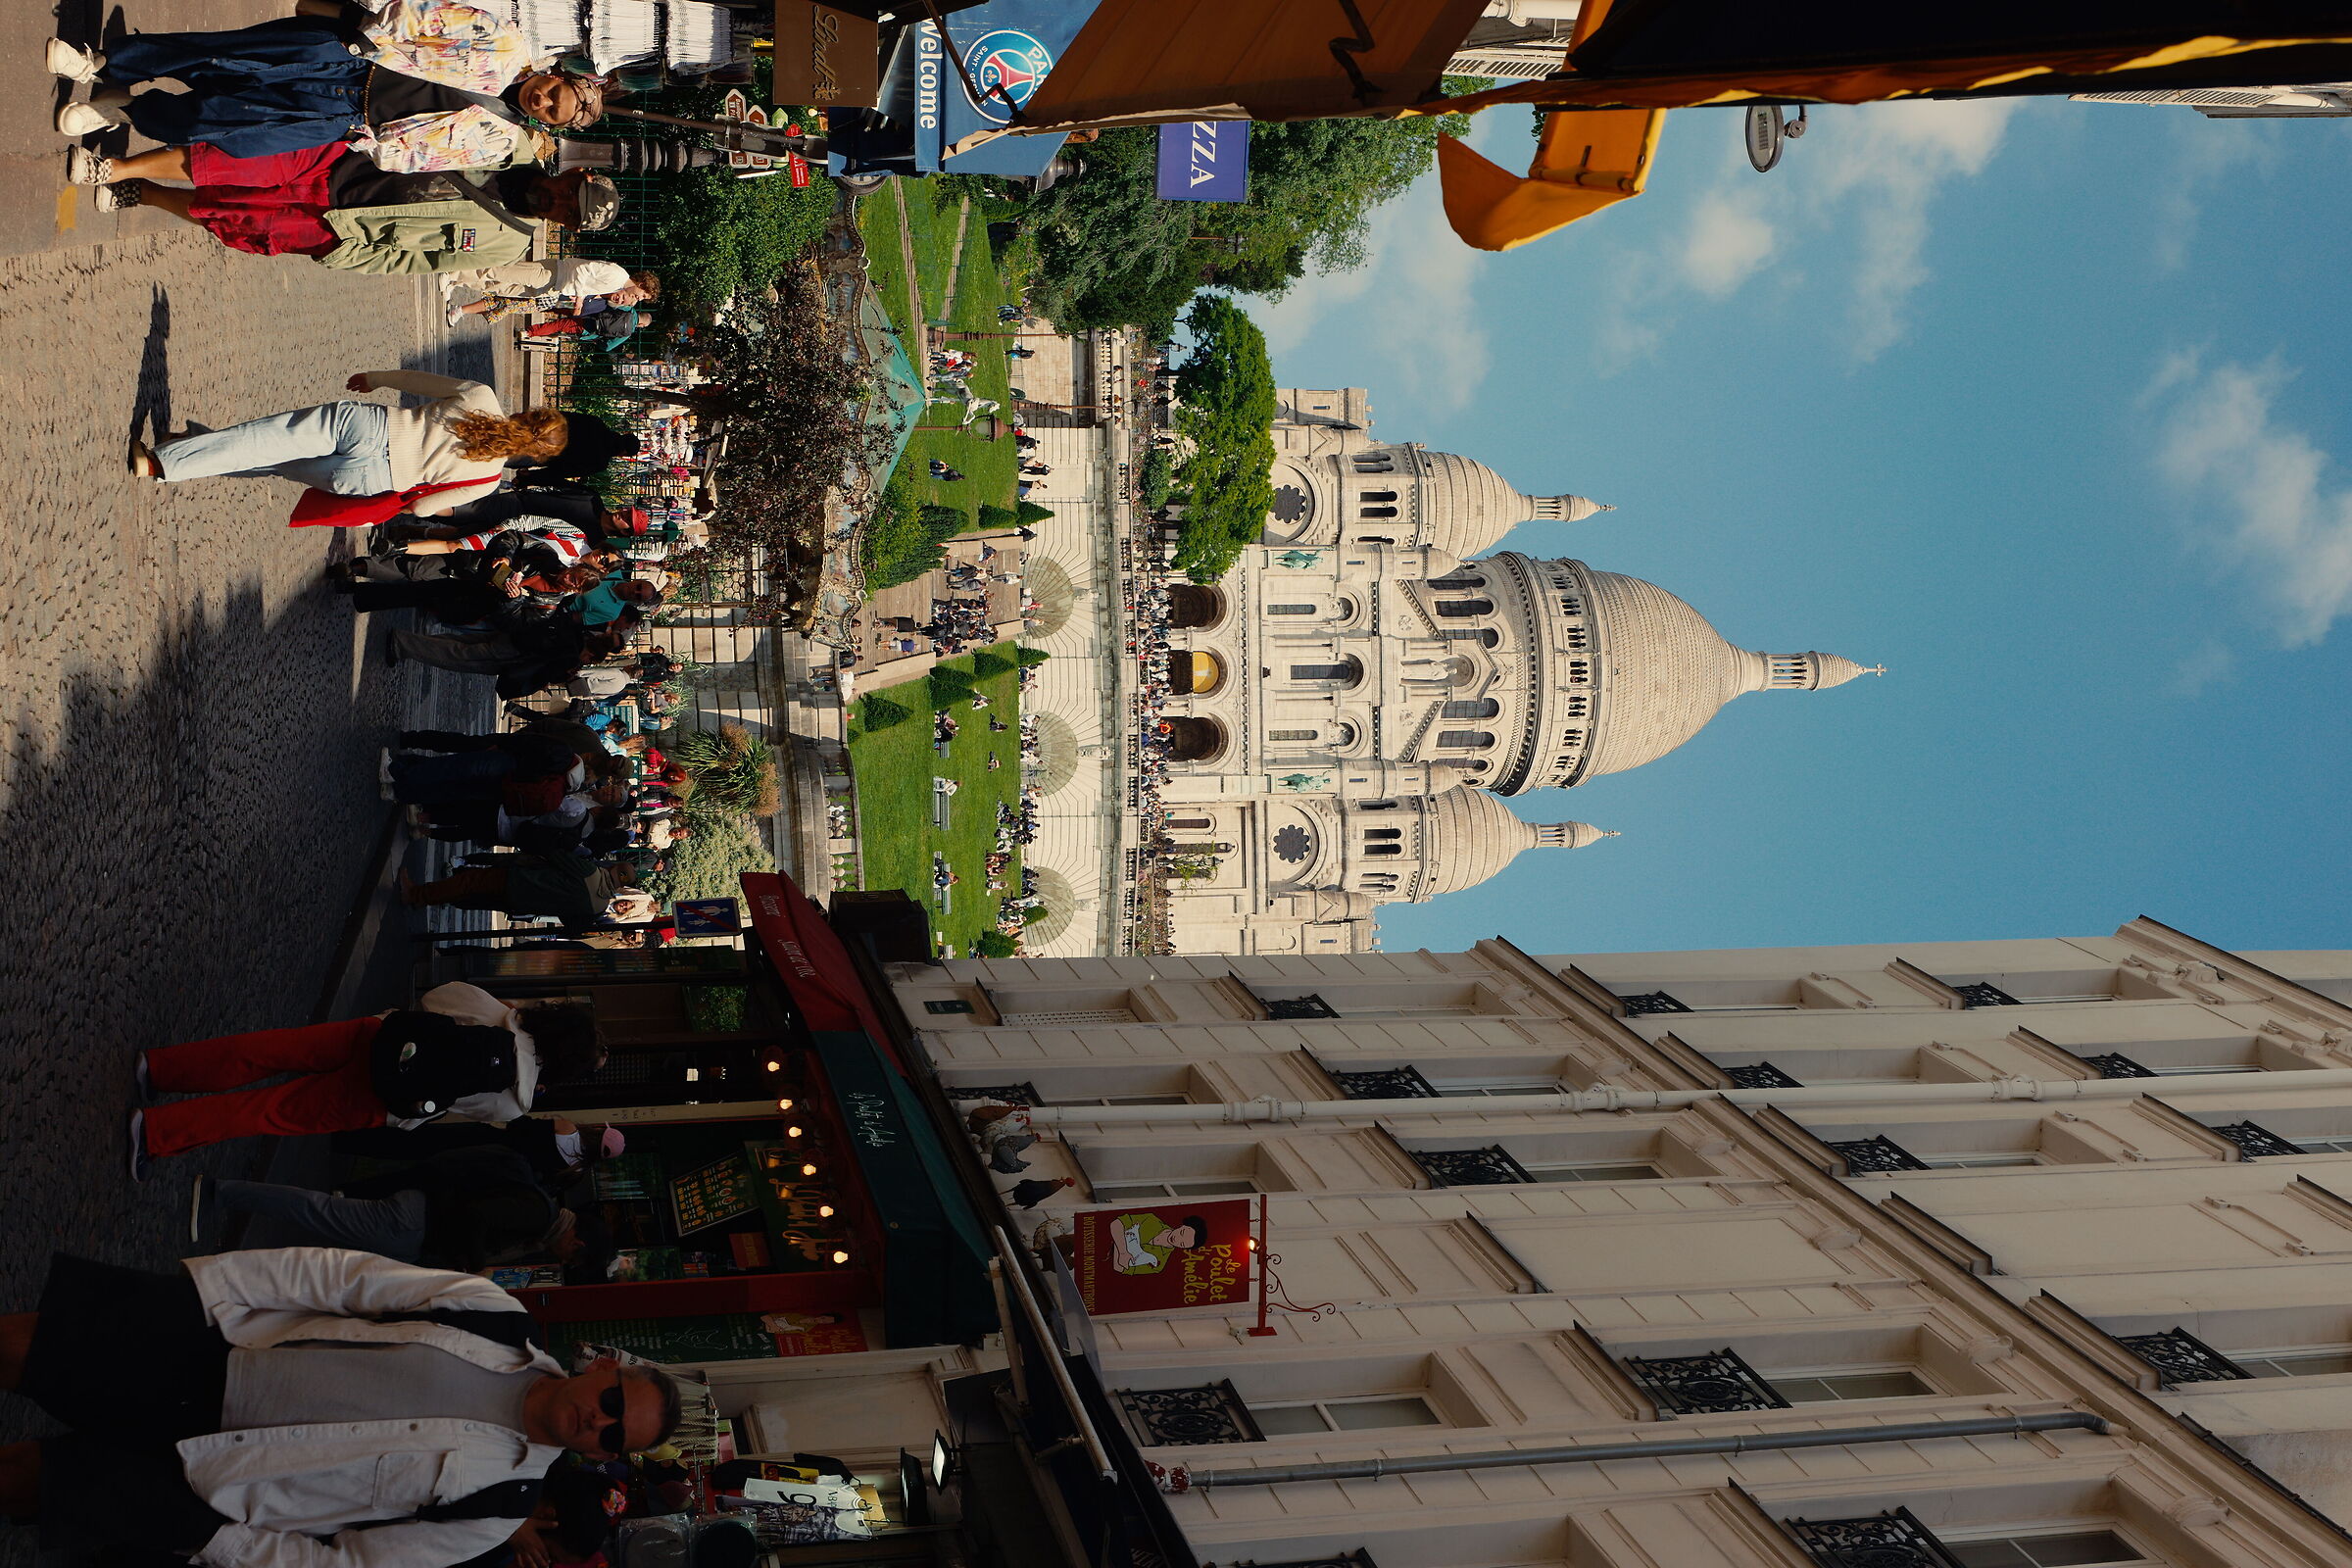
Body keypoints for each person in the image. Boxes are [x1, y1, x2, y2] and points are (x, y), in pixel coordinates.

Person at [0, 1247, 680, 1568]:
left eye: (616, 1436)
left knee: (20, 1480)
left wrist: (221, 1539)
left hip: (206, 1485)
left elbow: (351, 1565)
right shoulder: (495, 1317)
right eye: (614, 1401)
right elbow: (346, 1279)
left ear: (602, 1456)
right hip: (210, 1347)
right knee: (17, 1346)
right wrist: (214, 1287)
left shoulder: (496, 1512)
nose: (602, 1419)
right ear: (603, 1368)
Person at [130, 984, 604, 1175]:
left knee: (267, 1051)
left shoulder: (501, 1014)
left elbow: (437, 997)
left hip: (377, 1036)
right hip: (377, 1098)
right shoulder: (515, 1102)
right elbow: (461, 1108)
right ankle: (157, 1131)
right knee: (266, 1111)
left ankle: (162, 1068)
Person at [46, 14, 604, 160]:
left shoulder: (500, 138)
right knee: (225, 54)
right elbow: (434, 17)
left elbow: (427, 158)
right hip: (348, 63)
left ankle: (124, 113)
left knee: (222, 126)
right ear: (556, 75)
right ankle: (103, 62)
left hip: (342, 121)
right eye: (557, 92)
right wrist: (376, 29)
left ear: (545, 123)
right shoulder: (505, 44)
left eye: (555, 112)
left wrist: (376, 148)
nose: (547, 101)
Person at [75, 137, 617, 274]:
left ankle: (146, 193)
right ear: (574, 175)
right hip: (341, 162)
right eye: (572, 194)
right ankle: (122, 169)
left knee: (234, 222)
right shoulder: (511, 143)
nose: (561, 204)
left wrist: (349, 254)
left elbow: (419, 262)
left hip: (341, 225)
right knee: (232, 163)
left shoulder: (504, 245)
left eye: (569, 214)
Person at [132, 371, 566, 519]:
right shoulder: (488, 481)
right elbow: (420, 510)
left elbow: (417, 382)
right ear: (533, 455)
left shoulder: (483, 399)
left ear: (527, 414)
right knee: (274, 463)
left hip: (371, 428)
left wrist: (376, 378)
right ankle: (186, 449)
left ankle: (163, 462)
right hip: (366, 478)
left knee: (266, 441)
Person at [193, 1147, 603, 1275]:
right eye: (571, 1256)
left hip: (417, 1222)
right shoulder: (537, 1218)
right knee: (316, 1213)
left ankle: (227, 1200)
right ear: (576, 1241)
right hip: (415, 1224)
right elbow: (477, 1217)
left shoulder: (542, 1211)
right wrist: (478, 1267)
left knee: (319, 1220)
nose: (562, 1259)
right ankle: (223, 1192)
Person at [401, 856, 647, 928]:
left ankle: (418, 895)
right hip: (523, 904)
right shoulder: (599, 908)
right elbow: (569, 923)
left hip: (520, 880)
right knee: (472, 896)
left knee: (470, 882)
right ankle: (427, 899)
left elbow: (554, 858)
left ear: (612, 867)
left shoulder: (589, 871)